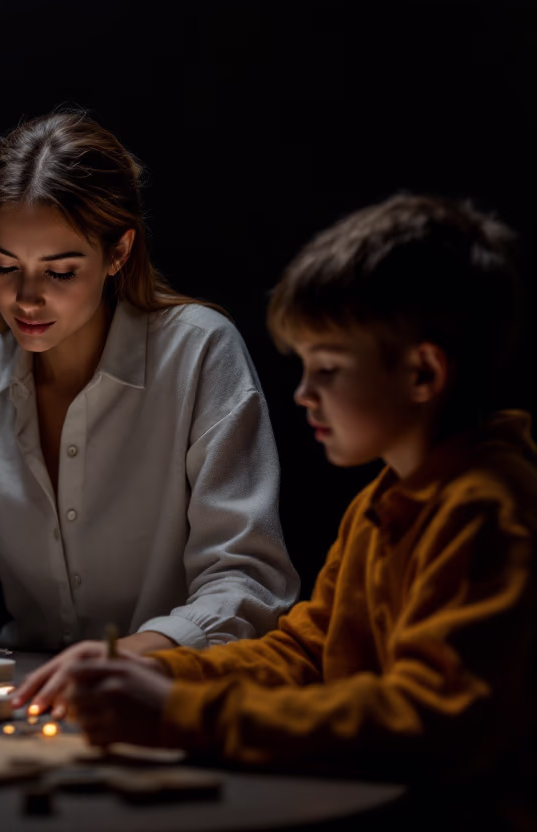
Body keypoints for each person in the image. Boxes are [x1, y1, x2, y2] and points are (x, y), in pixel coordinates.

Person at [67, 194, 537, 787]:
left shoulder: (488, 513)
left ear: (422, 374)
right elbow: (309, 653)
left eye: (329, 369)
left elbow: (429, 720)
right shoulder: (382, 502)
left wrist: (180, 713)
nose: (303, 394)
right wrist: (161, 675)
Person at [0, 111, 298, 716]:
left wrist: (128, 655)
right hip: (22, 696)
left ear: (119, 252)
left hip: (171, 696)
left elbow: (246, 579)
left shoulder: (199, 352)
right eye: (4, 266)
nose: (26, 299)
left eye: (59, 272)